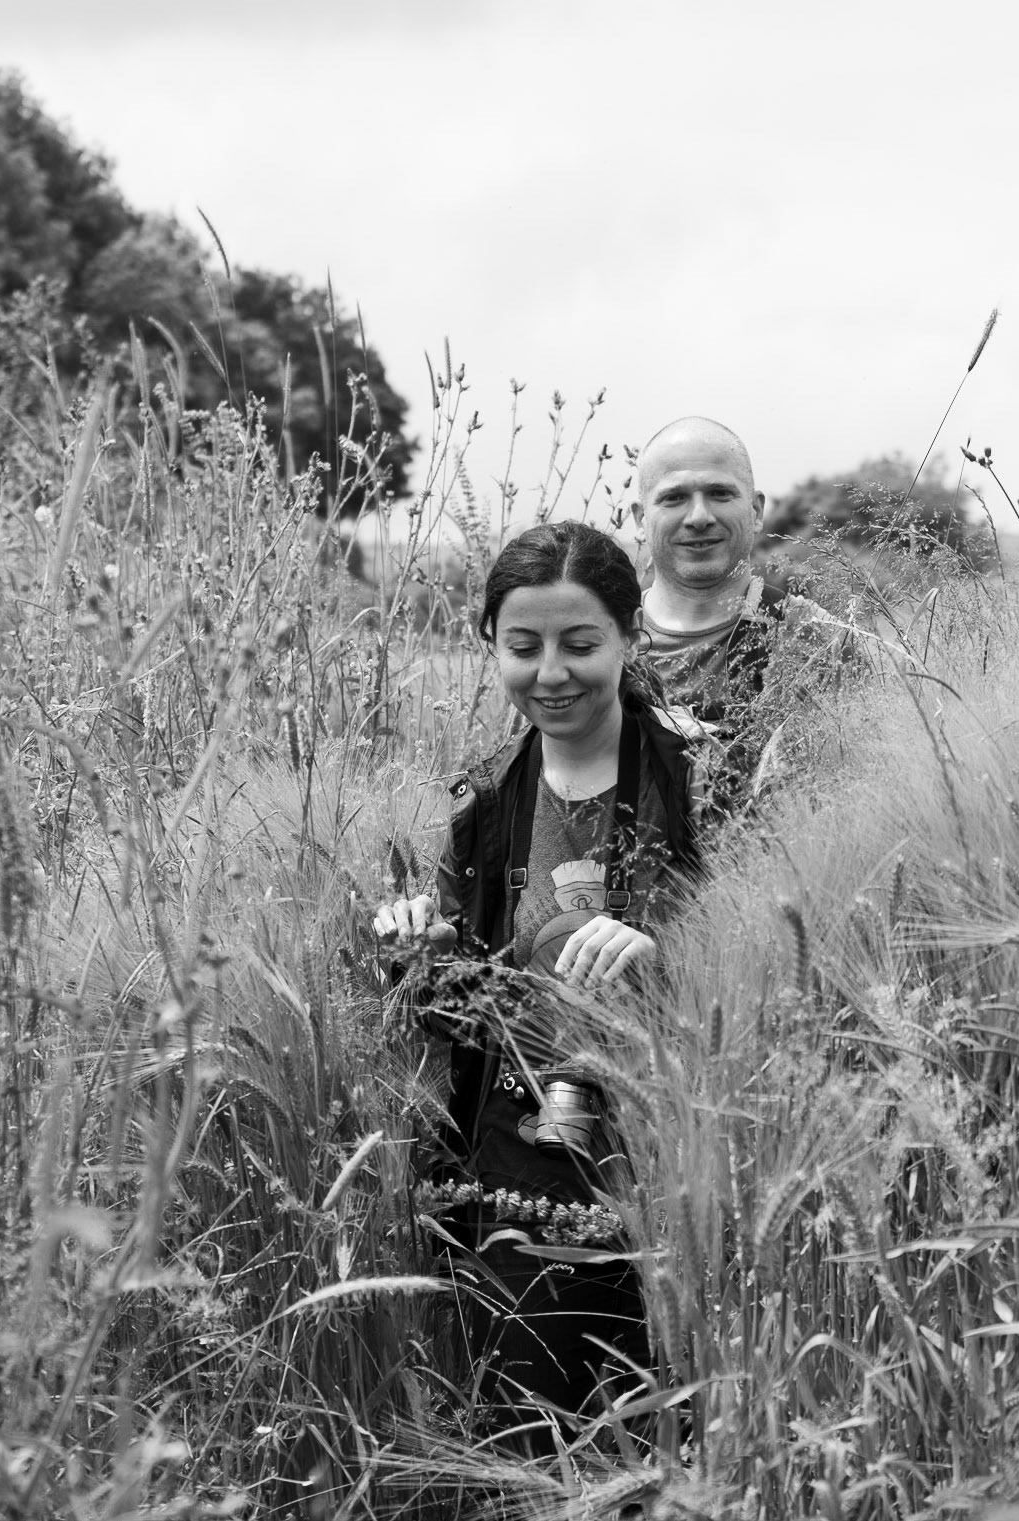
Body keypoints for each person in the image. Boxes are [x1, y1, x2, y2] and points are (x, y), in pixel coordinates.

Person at [372, 520, 711, 1454]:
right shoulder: (484, 802)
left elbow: (764, 941)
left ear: (629, 639)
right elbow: (455, 996)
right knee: (526, 1434)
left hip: (676, 1146)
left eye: (579, 643)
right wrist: (414, 947)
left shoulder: (700, 775)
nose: (550, 672)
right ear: (492, 646)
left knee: (684, 1437)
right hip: (525, 1166)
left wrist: (664, 946)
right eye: (522, 647)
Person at [632, 416, 848, 798]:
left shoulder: (820, 639)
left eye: (719, 493)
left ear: (757, 510)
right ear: (639, 518)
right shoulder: (603, 642)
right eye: (673, 497)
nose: (699, 517)